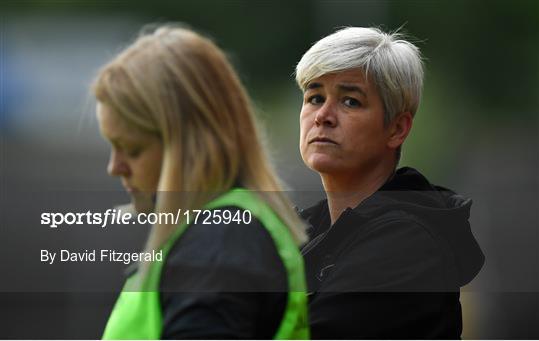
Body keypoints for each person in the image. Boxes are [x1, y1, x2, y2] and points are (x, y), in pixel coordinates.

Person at [93, 24, 309, 339]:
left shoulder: (221, 247)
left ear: (191, 143)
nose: (115, 167)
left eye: (132, 149)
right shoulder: (223, 234)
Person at [294, 27, 485, 339]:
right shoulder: (304, 231)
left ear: (397, 129)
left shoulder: (407, 245)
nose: (322, 116)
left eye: (350, 102)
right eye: (315, 97)